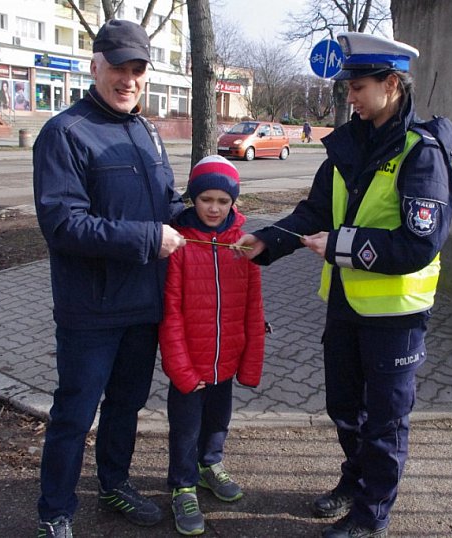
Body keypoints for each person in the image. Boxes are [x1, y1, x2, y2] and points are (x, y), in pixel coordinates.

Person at [235, 32, 452, 538]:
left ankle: (371, 514)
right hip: (344, 306)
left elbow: (418, 244)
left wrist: (340, 247)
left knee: (385, 421)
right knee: (344, 408)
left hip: (396, 316)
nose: (350, 98)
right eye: (349, 88)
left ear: (392, 84)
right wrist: (269, 241)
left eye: (358, 87)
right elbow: (314, 211)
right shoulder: (349, 145)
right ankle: (356, 479)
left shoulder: (421, 154)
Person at [32, 19, 186, 538]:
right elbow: (63, 224)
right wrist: (148, 238)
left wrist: (203, 214)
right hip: (90, 310)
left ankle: (114, 483)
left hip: (145, 303)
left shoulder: (145, 131)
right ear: (94, 65)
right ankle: (55, 513)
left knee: (127, 405)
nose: (128, 79)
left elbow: (163, 204)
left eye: (137, 69)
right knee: (75, 415)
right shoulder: (65, 134)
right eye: (117, 67)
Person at [158, 155, 266, 536]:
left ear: (233, 202)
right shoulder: (180, 245)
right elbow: (169, 315)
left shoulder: (243, 245)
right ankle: (183, 485)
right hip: (190, 365)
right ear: (193, 200)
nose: (215, 208)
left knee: (218, 422)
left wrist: (249, 364)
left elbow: (254, 309)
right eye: (207, 200)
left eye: (223, 201)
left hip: (227, 363)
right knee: (186, 428)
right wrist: (181, 370)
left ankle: (209, 466)